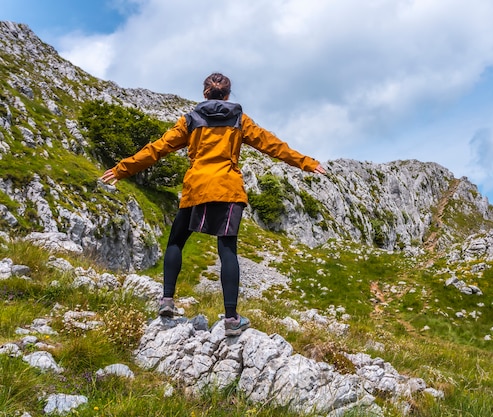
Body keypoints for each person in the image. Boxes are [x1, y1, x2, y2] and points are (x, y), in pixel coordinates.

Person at [100, 72, 326, 336]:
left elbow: (156, 149)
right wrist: (307, 163)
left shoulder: (190, 121)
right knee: (227, 249)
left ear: (204, 93)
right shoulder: (240, 121)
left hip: (196, 188)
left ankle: (167, 301)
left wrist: (121, 169)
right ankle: (231, 319)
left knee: (175, 242)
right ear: (228, 95)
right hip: (228, 189)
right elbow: (272, 145)